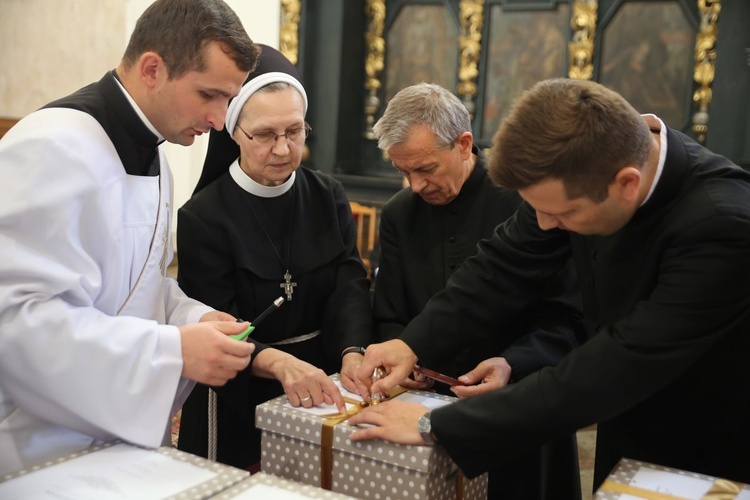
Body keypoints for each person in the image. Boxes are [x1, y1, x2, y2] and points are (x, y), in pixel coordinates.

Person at [349, 78, 750, 490]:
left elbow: (619, 363)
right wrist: (411, 343)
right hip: (625, 427)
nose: (545, 226)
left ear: (626, 184)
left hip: (711, 446)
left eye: (561, 214)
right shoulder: (582, 176)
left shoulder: (723, 225)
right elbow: (499, 266)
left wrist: (437, 423)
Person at [0, 0, 259, 476]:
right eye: (209, 95)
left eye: (229, 99)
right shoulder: (50, 146)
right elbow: (15, 323)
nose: (220, 120)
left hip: (118, 437)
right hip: (39, 447)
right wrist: (172, 350)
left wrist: (195, 317)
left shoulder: (157, 157)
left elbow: (141, 286)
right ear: (153, 68)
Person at [371, 82, 585, 500]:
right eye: (403, 171)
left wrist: (512, 361)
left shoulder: (530, 204)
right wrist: (403, 354)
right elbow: (390, 310)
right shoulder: (400, 213)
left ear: (464, 144)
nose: (414, 185)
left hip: (520, 405)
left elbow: (567, 318)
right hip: (421, 407)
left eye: (425, 169)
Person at [175, 45, 373, 470]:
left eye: (295, 131)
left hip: (319, 383)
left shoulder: (328, 196)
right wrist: (280, 365)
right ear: (233, 133)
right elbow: (215, 322)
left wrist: (353, 351)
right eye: (265, 134)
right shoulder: (203, 218)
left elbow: (349, 283)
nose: (283, 149)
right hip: (238, 385)